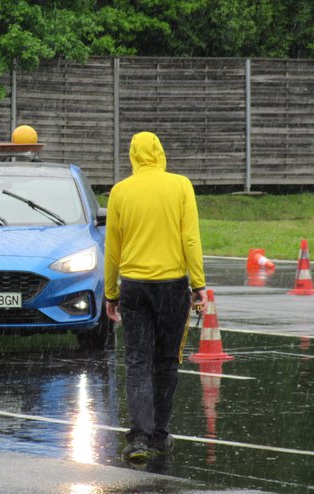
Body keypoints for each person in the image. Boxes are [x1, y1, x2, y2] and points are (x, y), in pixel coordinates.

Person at [104, 131, 208, 462]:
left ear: (133, 155)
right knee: (166, 360)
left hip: (134, 286)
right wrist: (198, 285)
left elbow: (113, 247)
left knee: (137, 361)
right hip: (173, 285)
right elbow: (190, 238)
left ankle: (138, 438)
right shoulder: (180, 186)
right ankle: (160, 434)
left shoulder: (120, 192)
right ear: (160, 153)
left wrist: (110, 292)